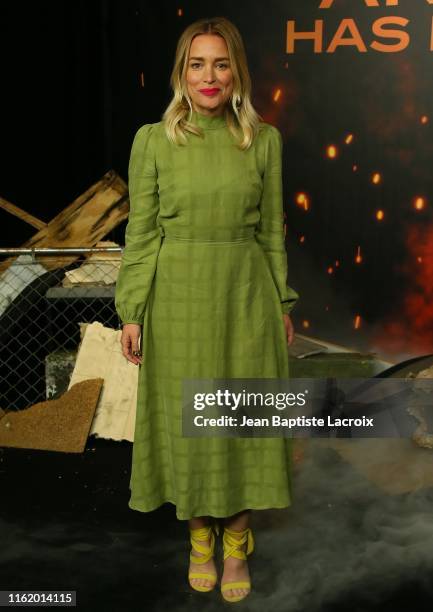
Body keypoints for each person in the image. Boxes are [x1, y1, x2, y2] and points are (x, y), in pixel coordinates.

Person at [115, 15, 299, 604]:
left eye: (221, 63)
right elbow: (141, 234)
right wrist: (132, 309)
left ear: (236, 70)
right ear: (182, 72)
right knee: (189, 421)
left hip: (246, 296)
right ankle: (200, 540)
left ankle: (238, 542)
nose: (209, 76)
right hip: (177, 296)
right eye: (197, 64)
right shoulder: (154, 140)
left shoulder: (262, 140)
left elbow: (273, 231)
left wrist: (282, 301)